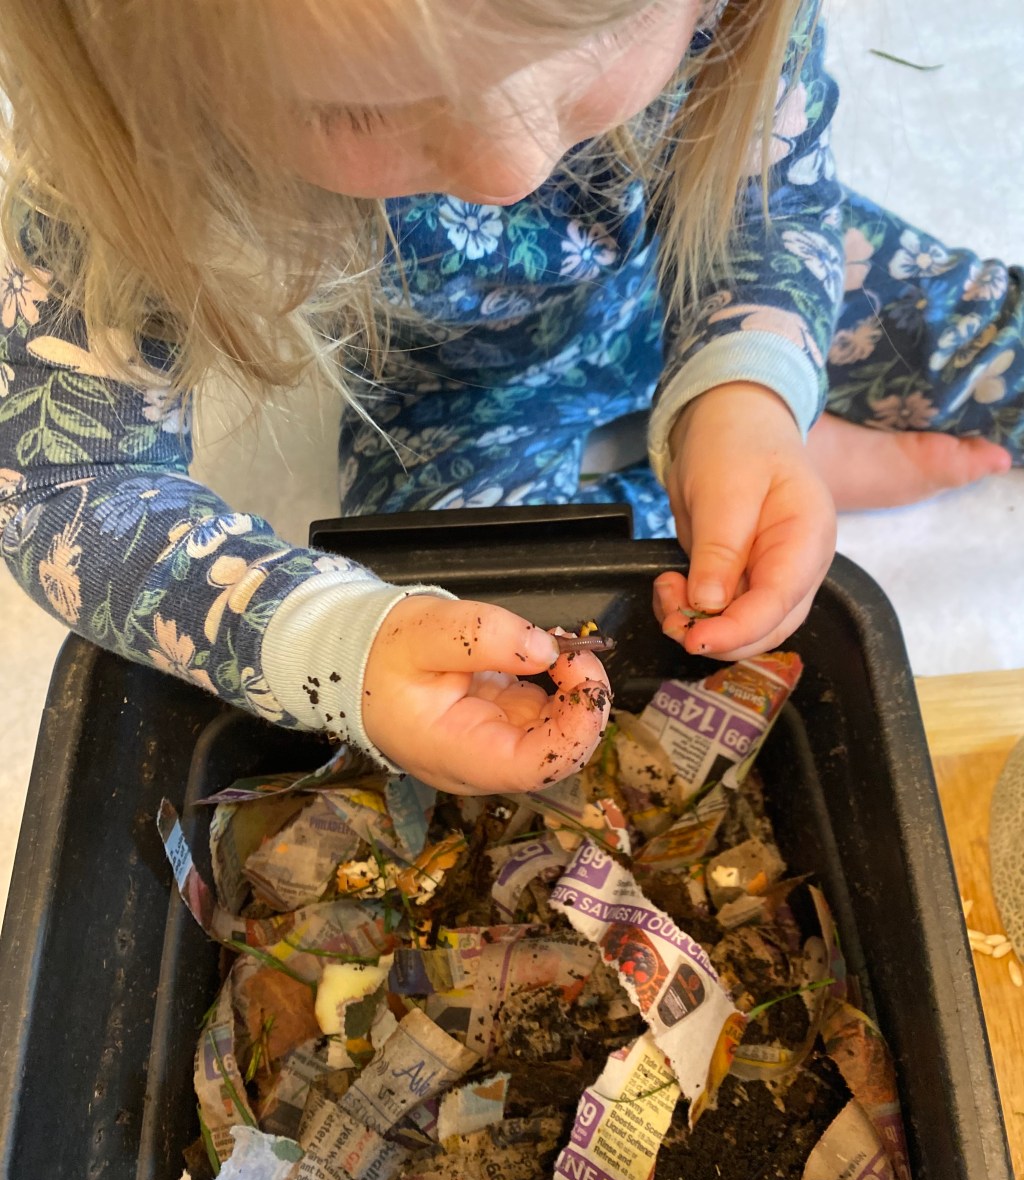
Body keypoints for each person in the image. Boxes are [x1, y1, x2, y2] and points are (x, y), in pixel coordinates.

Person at [0, 0, 1018, 796]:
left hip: (709, 241)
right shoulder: (120, 126)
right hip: (466, 386)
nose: (511, 168)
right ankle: (726, 454)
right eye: (358, 108)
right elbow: (65, 490)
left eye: (607, 29)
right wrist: (337, 644)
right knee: (493, 645)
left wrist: (751, 384)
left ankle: (730, 430)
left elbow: (768, 197)